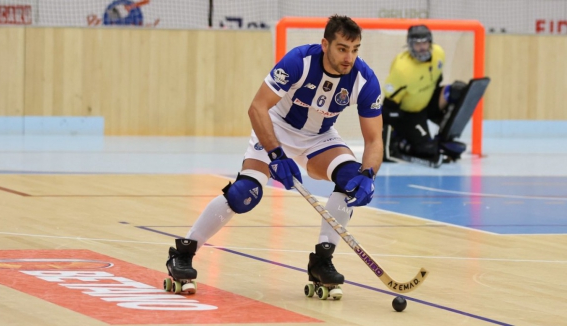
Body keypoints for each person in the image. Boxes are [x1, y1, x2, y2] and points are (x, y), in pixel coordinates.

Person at [165, 15, 383, 297]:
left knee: (351, 179)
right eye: (342, 48)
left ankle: (322, 261)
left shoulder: (364, 79)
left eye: (355, 50)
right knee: (245, 192)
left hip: (319, 138)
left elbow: (375, 139)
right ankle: (183, 253)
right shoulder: (299, 61)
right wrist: (275, 153)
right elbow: (257, 108)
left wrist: (368, 175)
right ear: (325, 44)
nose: (349, 57)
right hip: (275, 129)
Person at [382, 24, 468, 164]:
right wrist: (399, 130)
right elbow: (388, 107)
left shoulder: (439, 53)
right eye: (417, 44)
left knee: (458, 91)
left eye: (425, 43)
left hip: (428, 102)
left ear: (430, 42)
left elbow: (436, 82)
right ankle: (401, 142)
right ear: (410, 45)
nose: (422, 48)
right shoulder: (402, 69)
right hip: (410, 114)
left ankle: (444, 137)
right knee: (427, 149)